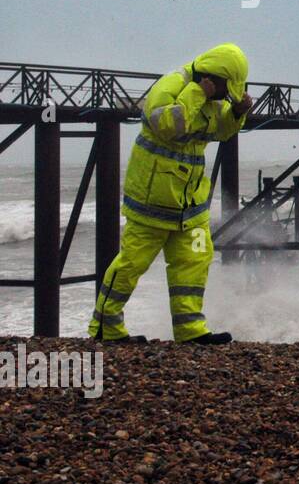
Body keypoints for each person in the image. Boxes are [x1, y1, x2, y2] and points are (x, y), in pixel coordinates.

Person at [88, 44, 254, 345]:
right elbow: (166, 126)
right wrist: (196, 94)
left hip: (189, 205)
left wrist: (237, 114)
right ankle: (105, 328)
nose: (223, 97)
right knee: (131, 264)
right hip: (152, 201)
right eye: (223, 91)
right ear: (210, 78)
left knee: (195, 260)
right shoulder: (171, 86)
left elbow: (220, 131)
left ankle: (190, 330)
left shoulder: (212, 97)